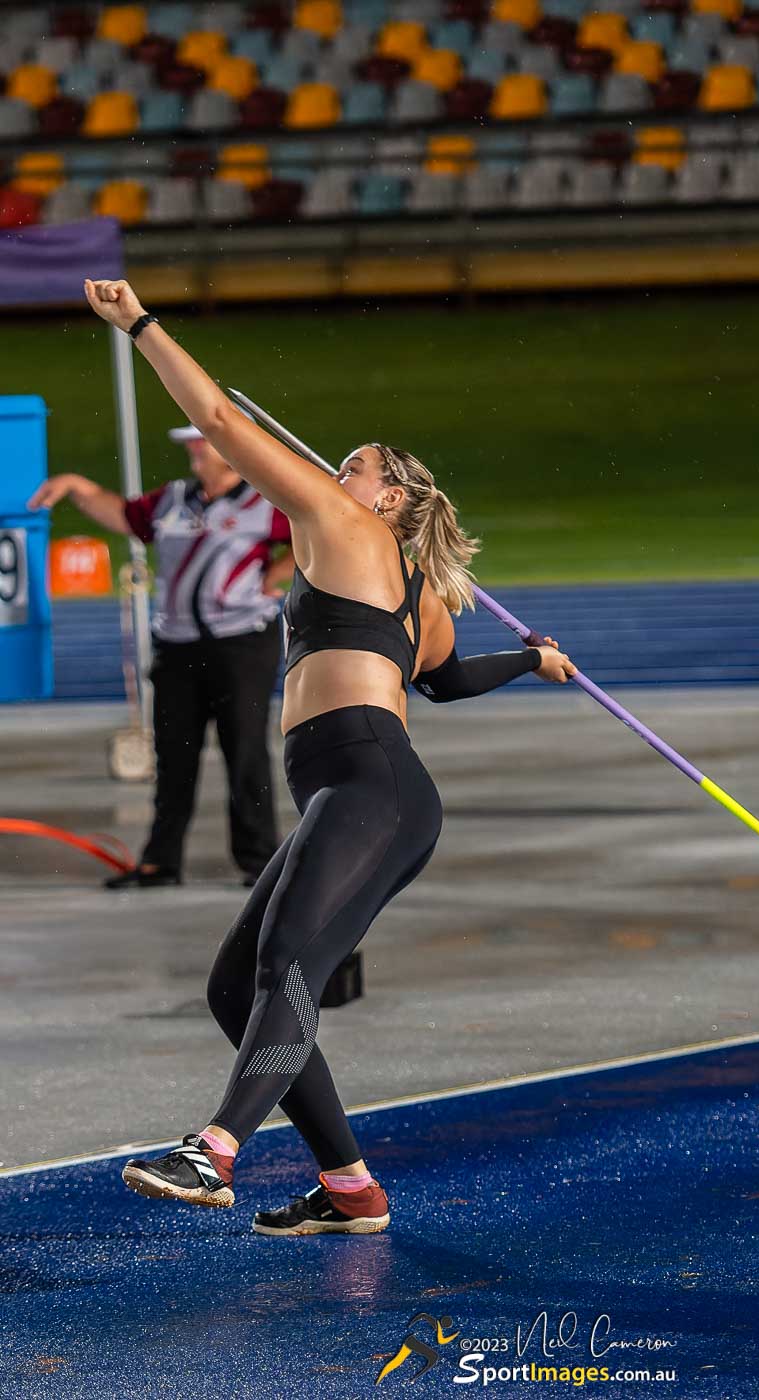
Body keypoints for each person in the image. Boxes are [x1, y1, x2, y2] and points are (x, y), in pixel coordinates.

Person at [81, 277, 576, 1236]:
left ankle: (214, 1152)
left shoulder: (348, 528)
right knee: (237, 985)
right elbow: (443, 679)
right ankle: (349, 1188)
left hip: (371, 781)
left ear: (389, 497)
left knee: (284, 961)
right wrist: (530, 659)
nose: (331, 471)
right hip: (358, 789)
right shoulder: (409, 589)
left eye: (351, 466)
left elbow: (219, 421)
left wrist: (140, 325)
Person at [28, 418, 294, 888]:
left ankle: (259, 860)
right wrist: (77, 486)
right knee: (173, 755)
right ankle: (161, 860)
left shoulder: (263, 501)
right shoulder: (174, 499)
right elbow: (126, 517)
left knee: (245, 751)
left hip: (240, 642)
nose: (195, 451)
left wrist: (278, 573)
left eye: (203, 443)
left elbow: (314, 533)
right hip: (177, 645)